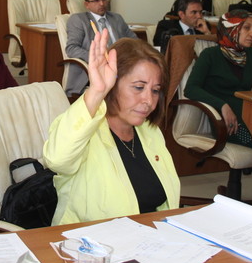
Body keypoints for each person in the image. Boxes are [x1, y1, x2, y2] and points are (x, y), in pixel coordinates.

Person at [44, 32, 180, 225]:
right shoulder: (85, 131)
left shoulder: (151, 132)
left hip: (150, 236)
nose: (149, 101)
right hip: (88, 239)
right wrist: (97, 91)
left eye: (155, 90)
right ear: (113, 84)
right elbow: (56, 160)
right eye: (138, 87)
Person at [186, 9, 252, 151]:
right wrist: (223, 105)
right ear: (231, 28)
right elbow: (191, 88)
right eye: (246, 28)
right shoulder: (210, 55)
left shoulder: (249, 54)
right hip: (226, 123)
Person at [65, 0, 138, 96]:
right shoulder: (79, 19)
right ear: (87, 4)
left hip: (121, 64)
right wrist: (98, 58)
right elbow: (71, 48)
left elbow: (135, 42)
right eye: (96, 0)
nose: (102, 3)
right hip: (97, 69)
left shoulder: (116, 18)